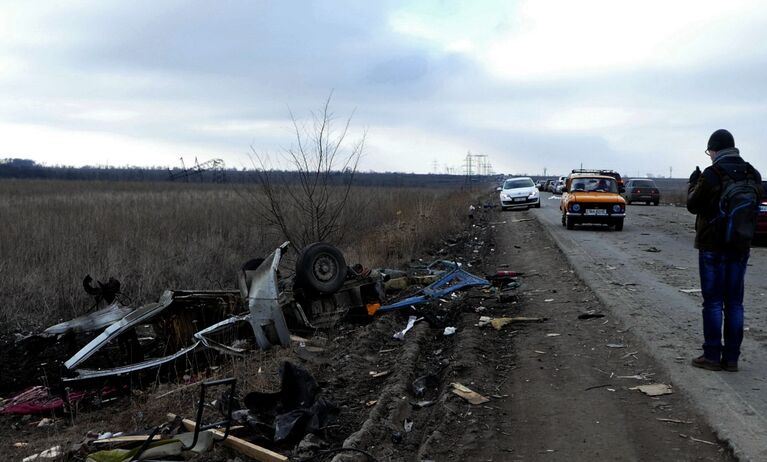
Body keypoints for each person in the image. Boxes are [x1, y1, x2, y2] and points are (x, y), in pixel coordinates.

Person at [687, 129, 762, 372]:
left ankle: (711, 355)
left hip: (712, 247)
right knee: (735, 303)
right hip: (740, 246)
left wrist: (693, 183)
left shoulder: (712, 173)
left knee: (713, 302)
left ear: (715, 149)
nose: (709, 156)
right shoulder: (752, 172)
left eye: (710, 151)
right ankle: (731, 358)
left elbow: (692, 205)